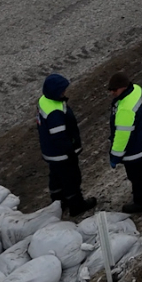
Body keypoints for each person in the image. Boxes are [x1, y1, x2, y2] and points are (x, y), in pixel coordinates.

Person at [37, 74, 96, 217]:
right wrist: (70, 151)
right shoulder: (55, 113)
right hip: (62, 154)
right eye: (62, 90)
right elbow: (59, 137)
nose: (65, 92)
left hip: (51, 153)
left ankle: (58, 203)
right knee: (71, 179)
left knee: (56, 178)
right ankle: (76, 205)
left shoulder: (44, 101)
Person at [107, 73, 142, 214]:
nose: (112, 93)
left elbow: (122, 135)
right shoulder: (136, 89)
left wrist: (115, 155)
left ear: (124, 88)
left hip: (133, 148)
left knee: (136, 176)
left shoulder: (125, 109)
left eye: (114, 90)